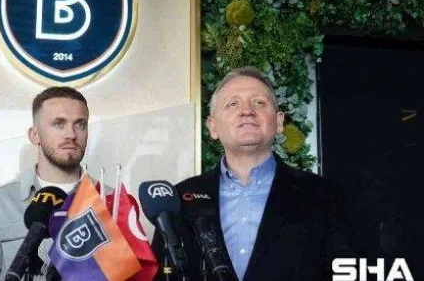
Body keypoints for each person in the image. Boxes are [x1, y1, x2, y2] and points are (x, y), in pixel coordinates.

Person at [153, 66, 357, 281]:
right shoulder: (179, 199)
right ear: (213, 127)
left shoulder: (323, 195)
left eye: (259, 102)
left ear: (279, 122)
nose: (247, 111)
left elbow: (348, 272)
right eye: (233, 104)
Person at [0, 86, 101, 280]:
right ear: (34, 135)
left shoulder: (111, 200)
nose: (71, 134)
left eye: (80, 124)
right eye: (59, 124)